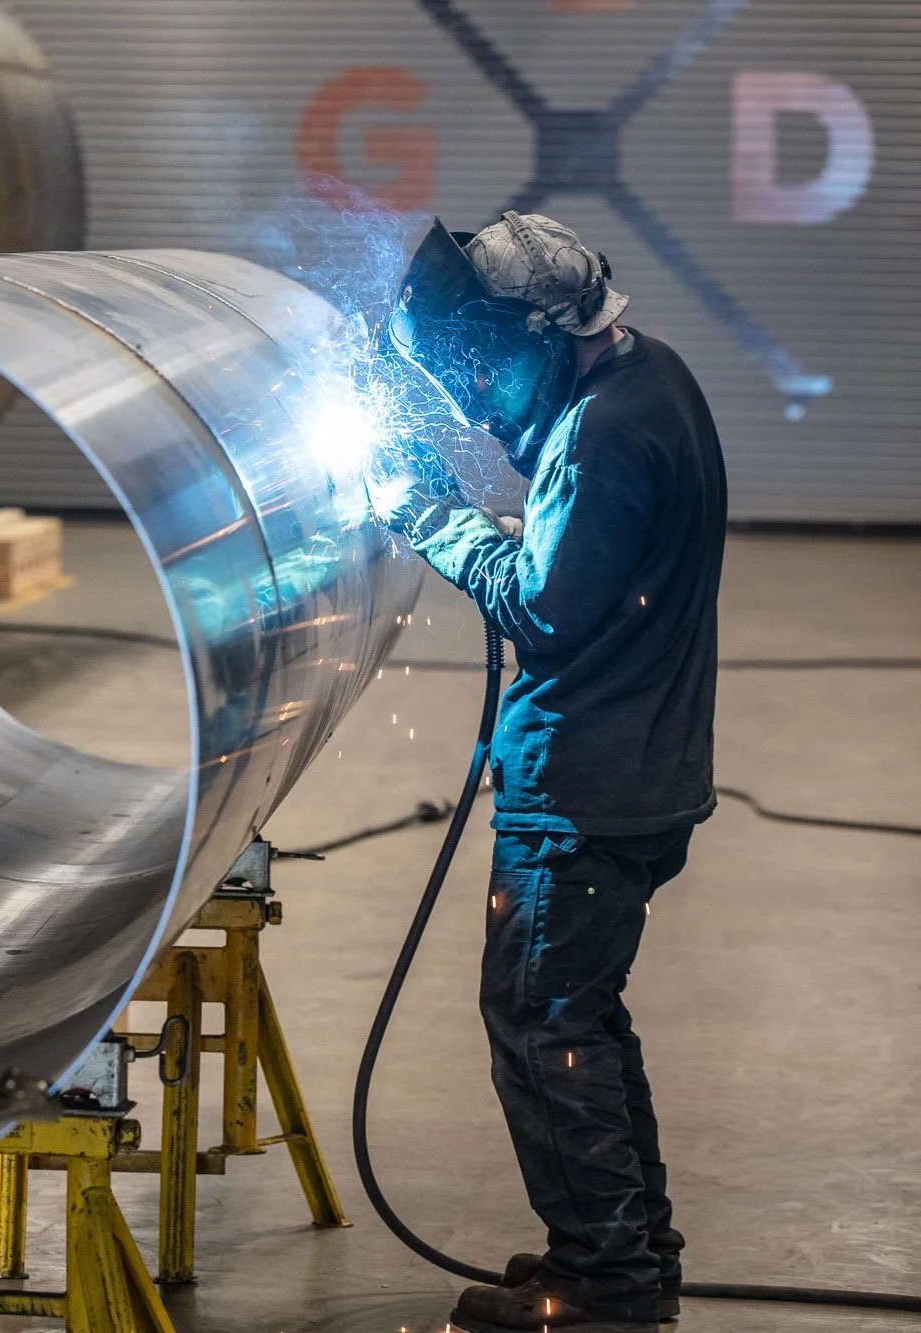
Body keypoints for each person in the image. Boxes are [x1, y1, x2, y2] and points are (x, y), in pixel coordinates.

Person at [378, 212, 728, 1333]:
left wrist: (423, 511)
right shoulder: (646, 379)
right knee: (582, 1014)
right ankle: (624, 1255)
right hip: (636, 766)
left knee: (542, 1020)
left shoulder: (601, 436)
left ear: (544, 330)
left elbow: (543, 605)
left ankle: (606, 1291)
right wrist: (465, 482)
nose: (477, 394)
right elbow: (574, 534)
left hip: (582, 784)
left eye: (484, 364)